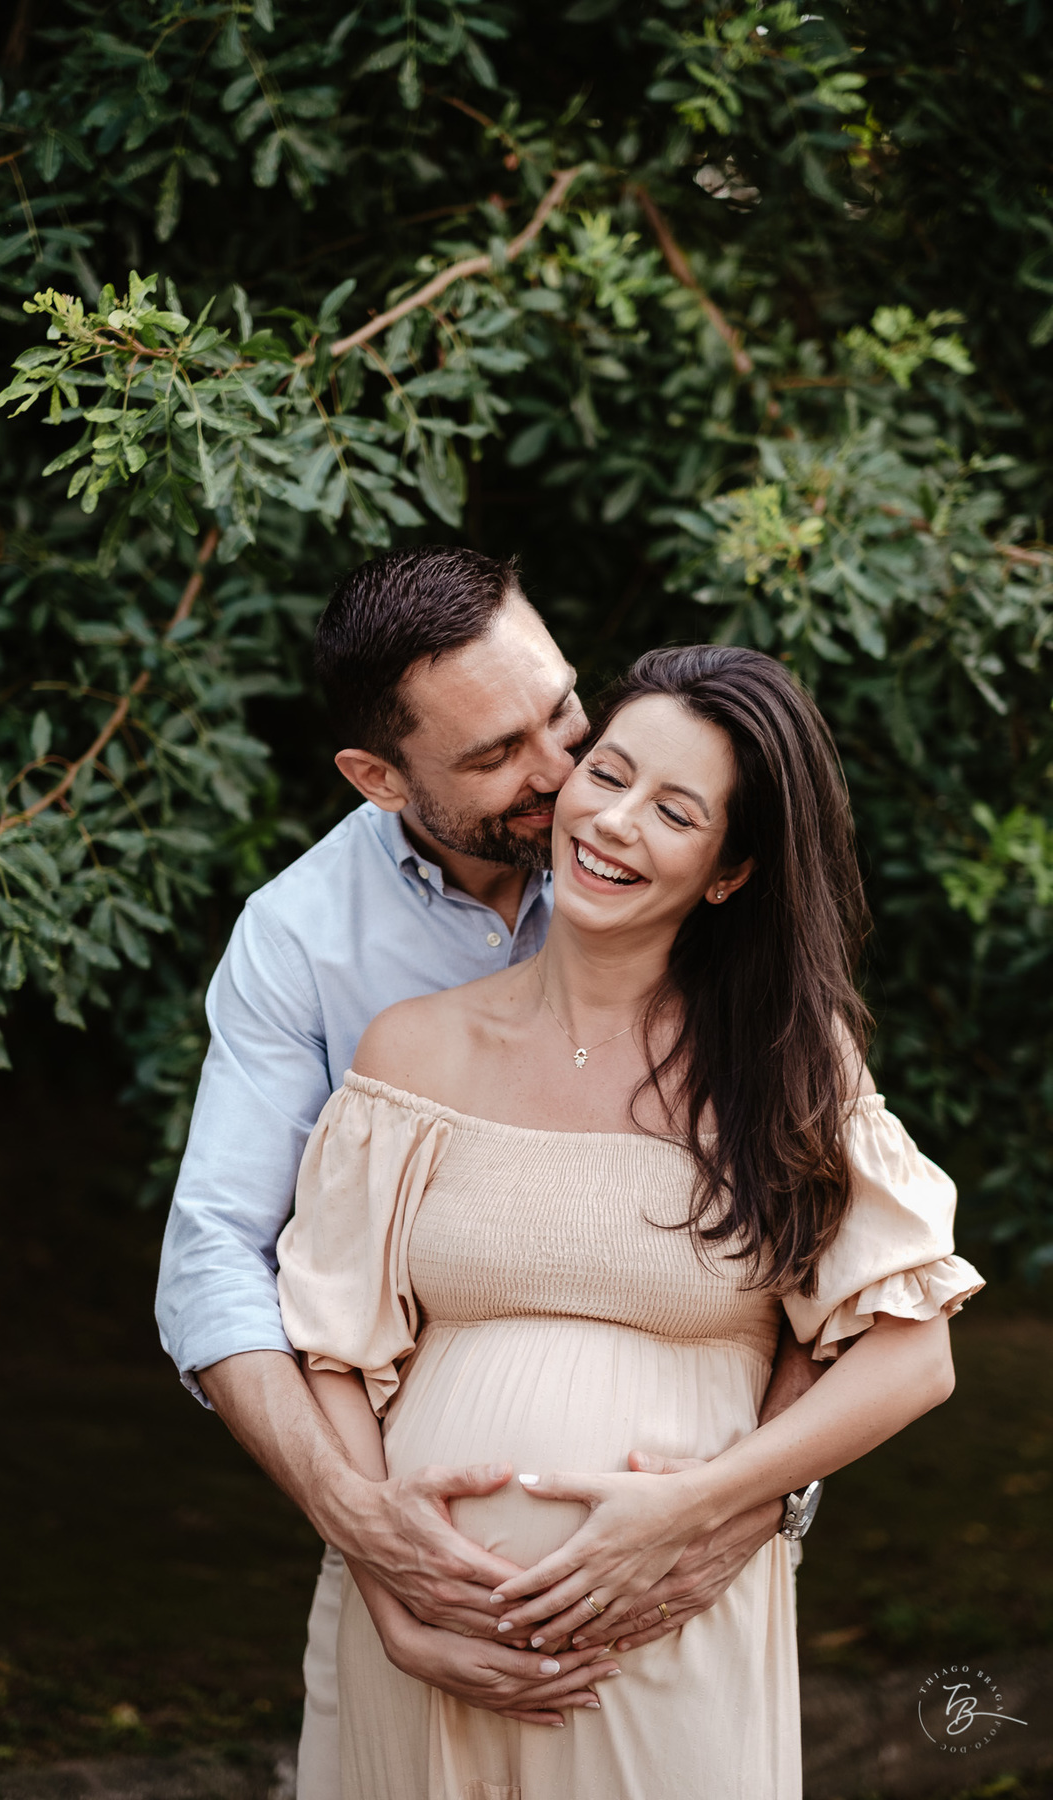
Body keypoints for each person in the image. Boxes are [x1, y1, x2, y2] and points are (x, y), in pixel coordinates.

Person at [155, 552, 821, 1798]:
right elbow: (218, 1265)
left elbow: (834, 1267)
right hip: (414, 1611)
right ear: (377, 777)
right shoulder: (303, 943)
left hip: (681, 1607)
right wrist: (373, 1548)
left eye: (563, 709)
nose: (572, 776)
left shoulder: (699, 883)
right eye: (497, 755)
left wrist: (748, 1512)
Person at [277, 643, 984, 1799]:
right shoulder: (410, 1051)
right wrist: (386, 1563)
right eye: (608, 775)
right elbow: (332, 1345)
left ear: (728, 870)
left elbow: (914, 1359)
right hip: (418, 1635)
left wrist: (705, 1509)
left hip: (662, 1631)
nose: (613, 824)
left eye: (675, 810)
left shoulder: (783, 1069)